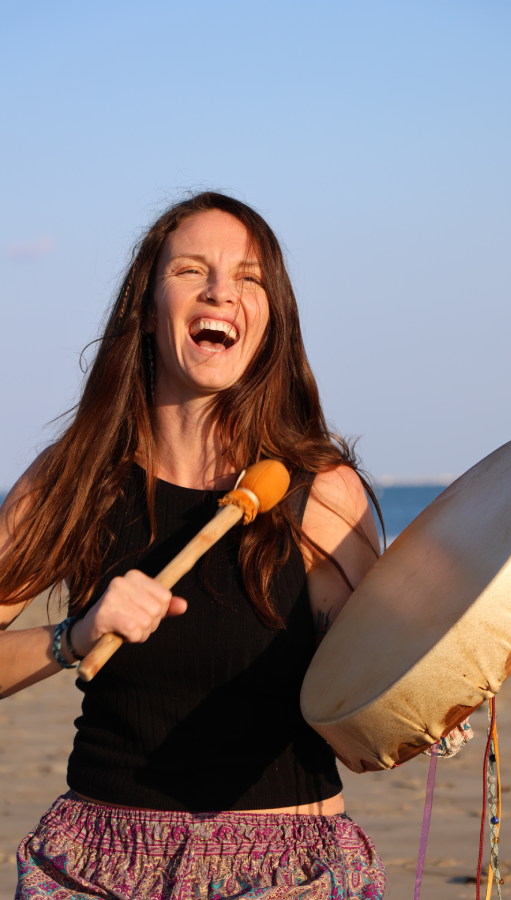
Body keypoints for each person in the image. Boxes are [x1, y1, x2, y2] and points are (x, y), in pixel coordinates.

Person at [0, 192, 388, 899]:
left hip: (288, 872)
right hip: (96, 871)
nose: (221, 291)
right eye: (191, 270)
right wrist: (73, 637)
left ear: (271, 321)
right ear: (145, 309)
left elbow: (372, 729)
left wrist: (469, 648)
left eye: (249, 277)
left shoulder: (323, 493)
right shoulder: (75, 479)